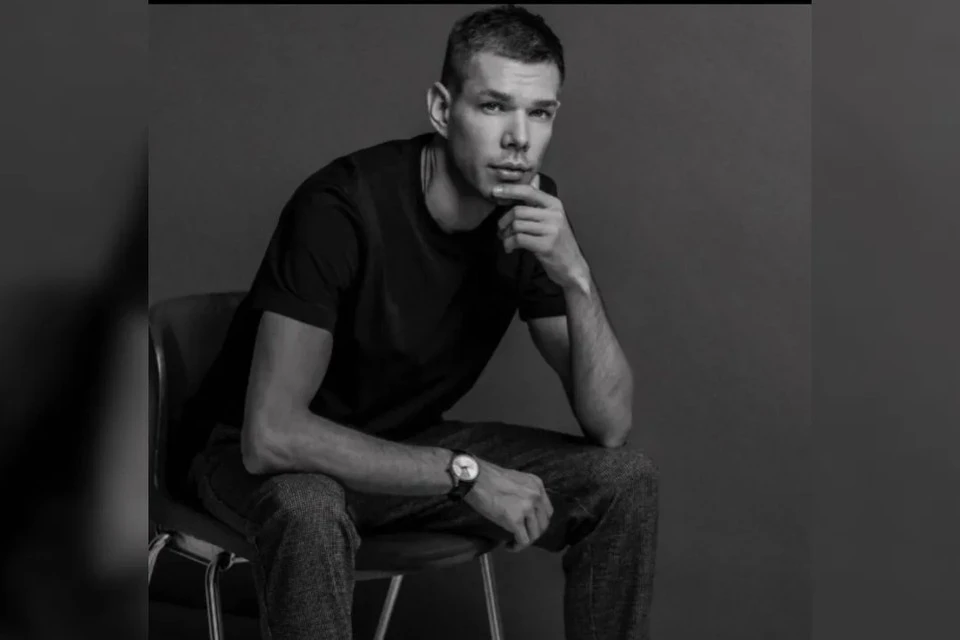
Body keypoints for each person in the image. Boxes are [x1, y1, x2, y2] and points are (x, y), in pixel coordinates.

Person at [186, 5, 659, 639]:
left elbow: (610, 425)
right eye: (494, 107)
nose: (519, 138)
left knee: (625, 480)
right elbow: (270, 436)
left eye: (541, 112)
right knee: (309, 504)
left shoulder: (532, 214)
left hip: (405, 449)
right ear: (441, 108)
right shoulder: (340, 207)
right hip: (257, 465)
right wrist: (464, 473)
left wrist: (575, 273)